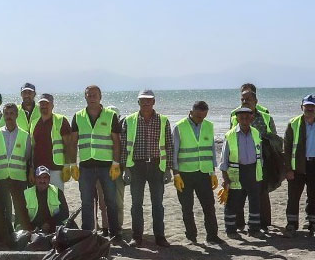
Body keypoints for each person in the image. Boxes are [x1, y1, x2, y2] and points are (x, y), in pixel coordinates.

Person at [69, 85, 124, 242]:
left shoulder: (110, 116)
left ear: (100, 97)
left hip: (106, 166)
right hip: (86, 166)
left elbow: (116, 142)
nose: (92, 96)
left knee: (111, 201)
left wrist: (116, 163)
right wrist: (72, 164)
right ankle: (87, 234)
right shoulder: (78, 116)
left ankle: (115, 234)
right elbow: (73, 142)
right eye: (89, 94)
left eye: (95, 94)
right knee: (86, 201)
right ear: (85, 97)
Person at [121, 90, 174, 247]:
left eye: (148, 100)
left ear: (154, 102)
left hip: (157, 166)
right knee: (136, 204)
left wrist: (168, 169)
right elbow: (124, 146)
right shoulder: (129, 120)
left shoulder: (163, 121)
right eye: (142, 101)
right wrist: (126, 168)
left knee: (157, 204)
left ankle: (160, 237)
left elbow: (169, 146)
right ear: (138, 102)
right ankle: (137, 237)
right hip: (136, 166)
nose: (146, 103)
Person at [282, 96, 315, 237]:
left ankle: (314, 224)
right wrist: (288, 169)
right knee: (293, 197)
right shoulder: (293, 123)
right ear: (302, 107)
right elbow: (286, 148)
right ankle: (291, 225)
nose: (310, 109)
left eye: (312, 106)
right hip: (297, 167)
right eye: (307, 106)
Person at [171, 101, 222, 244]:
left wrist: (213, 172)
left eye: (203, 116)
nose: (201, 119)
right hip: (184, 173)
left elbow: (211, 150)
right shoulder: (179, 126)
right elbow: (173, 152)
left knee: (209, 206)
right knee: (187, 207)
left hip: (204, 173)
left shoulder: (208, 126)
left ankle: (212, 236)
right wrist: (176, 174)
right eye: (198, 116)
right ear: (191, 112)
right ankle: (191, 236)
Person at [234, 88, 278, 230]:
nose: (245, 102)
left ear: (256, 101)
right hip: (240, 160)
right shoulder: (234, 116)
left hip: (261, 160)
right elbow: (230, 137)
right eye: (242, 99)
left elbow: (275, 138)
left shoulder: (265, 117)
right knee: (239, 192)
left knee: (262, 192)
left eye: (248, 99)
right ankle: (239, 224)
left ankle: (264, 223)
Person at [0, 103, 33, 237]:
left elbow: (29, 157)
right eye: (6, 114)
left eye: (12, 113)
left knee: (20, 209)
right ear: (3, 115)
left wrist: (30, 172)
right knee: (3, 209)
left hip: (18, 177)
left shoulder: (25, 136)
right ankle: (6, 235)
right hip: (0, 178)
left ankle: (20, 235)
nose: (9, 117)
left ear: (17, 115)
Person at [220, 107, 265, 239]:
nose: (244, 120)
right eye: (241, 117)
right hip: (236, 172)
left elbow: (260, 154)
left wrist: (259, 170)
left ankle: (254, 229)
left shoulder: (256, 133)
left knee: (255, 201)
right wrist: (225, 177)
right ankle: (230, 229)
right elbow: (223, 159)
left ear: (251, 118)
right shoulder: (230, 135)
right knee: (233, 201)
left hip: (253, 171)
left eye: (247, 117)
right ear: (237, 119)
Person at [30, 93, 74, 190]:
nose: (44, 106)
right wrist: (31, 168)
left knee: (57, 199)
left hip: (56, 168)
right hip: (39, 169)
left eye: (47, 103)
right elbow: (32, 148)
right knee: (41, 200)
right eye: (42, 104)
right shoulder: (34, 123)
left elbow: (68, 145)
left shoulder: (61, 120)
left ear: (52, 105)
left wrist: (67, 165)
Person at [23, 166, 69, 234]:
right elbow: (21, 216)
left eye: (45, 177)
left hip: (54, 227)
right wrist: (33, 228)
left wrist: (49, 223)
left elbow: (65, 213)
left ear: (49, 179)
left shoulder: (57, 192)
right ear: (35, 179)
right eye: (39, 178)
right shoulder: (26, 194)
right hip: (33, 229)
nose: (42, 181)